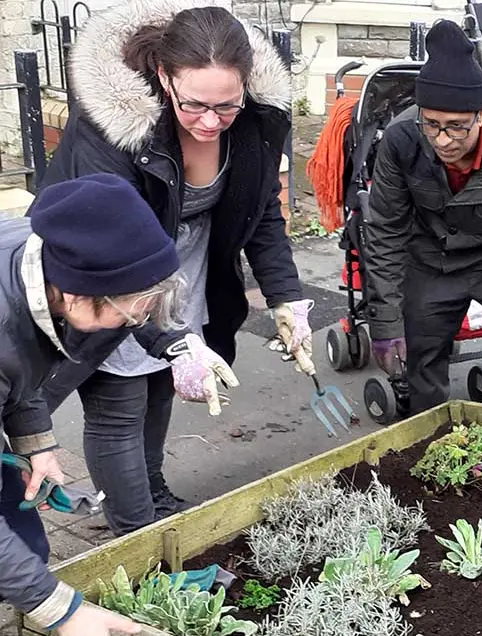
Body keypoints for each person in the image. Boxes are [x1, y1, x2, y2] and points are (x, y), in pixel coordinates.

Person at [37, 0, 313, 537]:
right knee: (120, 403)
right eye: (193, 105)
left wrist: (285, 296)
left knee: (161, 386)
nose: (211, 121)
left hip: (182, 269)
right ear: (164, 76)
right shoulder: (113, 126)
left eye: (226, 106)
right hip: (108, 276)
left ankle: (151, 488)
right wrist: (173, 337)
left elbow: (261, 213)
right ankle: (135, 531)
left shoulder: (256, 121)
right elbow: (113, 247)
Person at [2, 174, 185, 636]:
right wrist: (62, 610)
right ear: (79, 296)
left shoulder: (46, 259)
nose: (137, 322)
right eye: (131, 313)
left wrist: (35, 444)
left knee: (23, 543)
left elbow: (23, 366)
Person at [360, 19, 482, 413]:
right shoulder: (402, 140)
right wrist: (386, 324)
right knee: (419, 356)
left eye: (456, 128)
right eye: (432, 124)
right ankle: (430, 438)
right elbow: (385, 232)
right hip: (430, 256)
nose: (442, 140)